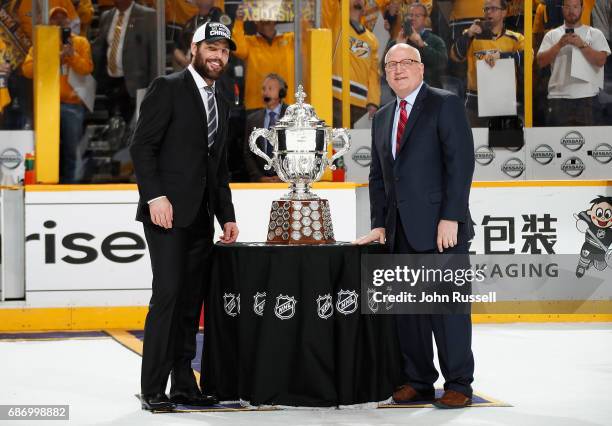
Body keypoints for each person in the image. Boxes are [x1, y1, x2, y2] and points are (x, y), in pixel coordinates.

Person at [356, 43, 476, 409]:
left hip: (442, 229)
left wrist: (451, 216)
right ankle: (419, 380)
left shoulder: (445, 104)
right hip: (399, 231)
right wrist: (380, 225)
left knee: (447, 311)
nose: (398, 69)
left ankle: (458, 383)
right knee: (408, 315)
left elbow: (461, 164)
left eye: (406, 62)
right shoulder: (382, 117)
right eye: (391, 64)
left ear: (421, 68)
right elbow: (379, 179)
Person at [130, 21, 239, 411]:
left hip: (201, 217)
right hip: (166, 214)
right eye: (211, 47)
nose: (218, 56)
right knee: (169, 296)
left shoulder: (222, 98)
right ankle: (153, 388)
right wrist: (155, 196)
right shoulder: (169, 87)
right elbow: (142, 146)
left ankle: (183, 386)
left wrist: (226, 215)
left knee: (191, 303)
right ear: (194, 49)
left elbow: (219, 166)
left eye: (225, 51)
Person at [21, 7, 93, 183]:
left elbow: (87, 69)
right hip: (47, 104)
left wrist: (72, 56)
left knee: (72, 150)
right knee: (46, 149)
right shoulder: (41, 43)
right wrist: (56, 56)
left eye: (63, 18)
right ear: (49, 22)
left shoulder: (81, 43)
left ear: (69, 22)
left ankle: (72, 188)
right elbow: (27, 70)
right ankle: (46, 184)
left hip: (72, 103)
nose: (59, 22)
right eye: (55, 19)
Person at [451, 0, 524, 127]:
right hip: (475, 99)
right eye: (486, 9)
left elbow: (528, 57)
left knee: (502, 144)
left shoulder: (515, 38)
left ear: (504, 12)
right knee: (473, 143)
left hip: (504, 98)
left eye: (493, 8)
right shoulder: (472, 35)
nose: (489, 12)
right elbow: (455, 56)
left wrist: (501, 56)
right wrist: (468, 34)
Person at [537, 0, 610, 126]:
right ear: (562, 9)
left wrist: (582, 45)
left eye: (575, 7)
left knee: (590, 144)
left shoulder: (595, 34)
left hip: (588, 98)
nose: (571, 11)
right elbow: (540, 62)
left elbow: (601, 60)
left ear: (582, 8)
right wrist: (559, 45)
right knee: (555, 142)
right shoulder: (552, 35)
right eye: (567, 7)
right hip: (558, 98)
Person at [92, 0, 157, 123]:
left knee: (133, 130)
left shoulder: (148, 15)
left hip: (135, 84)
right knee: (113, 127)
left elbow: (154, 53)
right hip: (110, 82)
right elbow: (99, 48)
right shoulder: (106, 16)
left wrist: (154, 86)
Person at [325, 0, 380, 127]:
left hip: (361, 104)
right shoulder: (337, 23)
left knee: (357, 146)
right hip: (337, 98)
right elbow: (329, 5)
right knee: (338, 145)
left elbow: (374, 74)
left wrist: (373, 102)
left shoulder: (372, 40)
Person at [232, 4, 295, 112]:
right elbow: (238, 50)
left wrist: (298, 12)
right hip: (256, 106)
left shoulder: (290, 40)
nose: (265, 18)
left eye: (268, 13)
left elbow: (307, 35)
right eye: (261, 14)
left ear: (276, 18)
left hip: (286, 105)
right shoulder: (249, 42)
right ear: (255, 20)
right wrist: (239, 20)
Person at [385, 3, 447, 88]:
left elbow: (442, 64)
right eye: (410, 15)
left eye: (417, 15)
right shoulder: (396, 42)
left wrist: (421, 44)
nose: (413, 18)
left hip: (430, 92)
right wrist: (398, 47)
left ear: (425, 19)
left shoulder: (436, 41)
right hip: (404, 93)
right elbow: (385, 68)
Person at [243, 74, 288, 182]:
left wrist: (284, 177)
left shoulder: (292, 115)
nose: (266, 92)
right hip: (261, 181)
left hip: (287, 181)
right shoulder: (252, 119)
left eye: (270, 88)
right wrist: (259, 177)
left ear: (281, 92)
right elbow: (248, 152)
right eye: (264, 89)